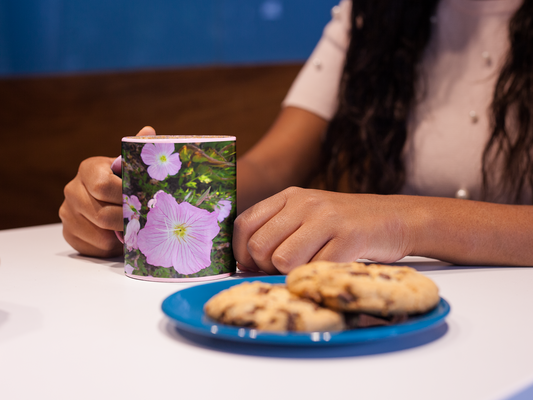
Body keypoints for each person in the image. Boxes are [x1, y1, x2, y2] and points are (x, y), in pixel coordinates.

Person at [59, 0, 533, 275]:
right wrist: (148, 196)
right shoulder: (373, 13)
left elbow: (398, 219)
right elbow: (273, 164)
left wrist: (401, 219)